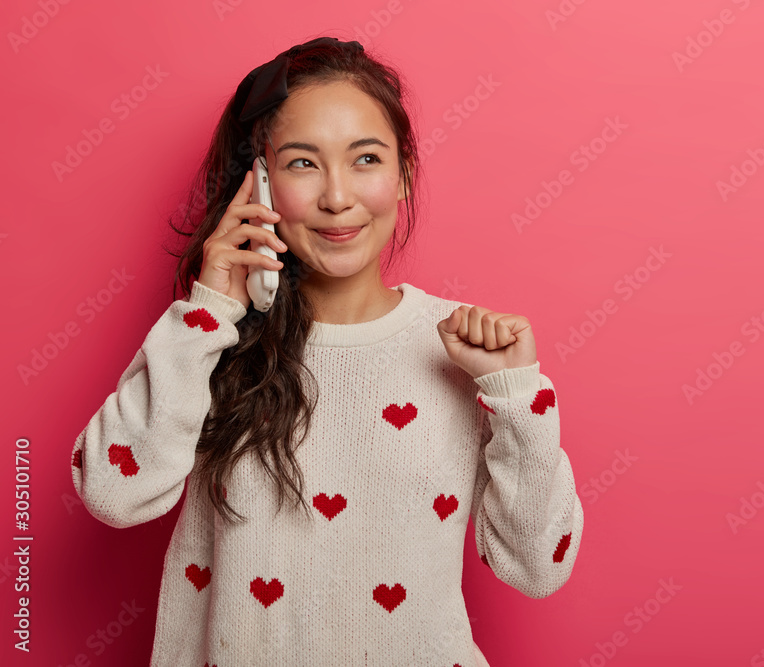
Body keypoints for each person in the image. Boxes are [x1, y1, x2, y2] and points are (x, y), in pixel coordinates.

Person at [70, 35, 584, 666]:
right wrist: (210, 311)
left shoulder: (467, 346)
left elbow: (536, 567)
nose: (337, 197)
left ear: (404, 176)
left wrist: (516, 398)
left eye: (366, 159)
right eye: (302, 163)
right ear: (258, 186)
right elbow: (113, 495)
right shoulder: (210, 337)